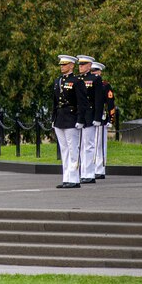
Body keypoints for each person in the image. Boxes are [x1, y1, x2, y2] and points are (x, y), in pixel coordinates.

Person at [52, 55, 87, 188]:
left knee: (73, 150)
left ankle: (74, 178)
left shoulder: (77, 81)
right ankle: (66, 178)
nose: (62, 66)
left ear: (71, 65)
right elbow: (54, 102)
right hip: (60, 118)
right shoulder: (58, 81)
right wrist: (53, 118)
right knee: (64, 150)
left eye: (65, 64)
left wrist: (80, 119)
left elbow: (82, 103)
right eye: (61, 64)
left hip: (71, 118)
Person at [75, 55, 104, 184]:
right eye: (80, 64)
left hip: (90, 115)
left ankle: (89, 173)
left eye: (83, 64)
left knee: (89, 145)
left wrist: (97, 117)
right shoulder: (77, 79)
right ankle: (82, 172)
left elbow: (99, 100)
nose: (80, 67)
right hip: (79, 115)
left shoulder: (95, 79)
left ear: (89, 66)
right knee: (80, 145)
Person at [90, 62, 116, 179]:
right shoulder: (88, 84)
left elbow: (110, 103)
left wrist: (111, 119)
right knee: (90, 144)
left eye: (95, 71)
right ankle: (91, 168)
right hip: (90, 117)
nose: (93, 73)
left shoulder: (105, 85)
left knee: (99, 144)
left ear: (100, 72)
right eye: (91, 71)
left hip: (101, 117)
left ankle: (100, 169)